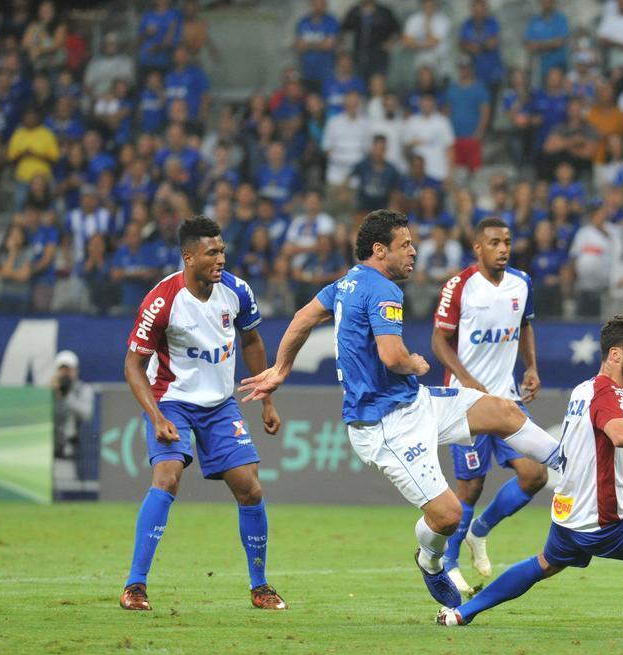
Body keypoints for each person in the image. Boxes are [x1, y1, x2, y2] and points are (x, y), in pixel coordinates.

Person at [239, 210, 564, 609]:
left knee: (503, 411)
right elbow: (393, 357)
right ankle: (430, 561)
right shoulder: (383, 290)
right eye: (405, 245)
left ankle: (569, 462)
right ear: (380, 250)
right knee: (447, 516)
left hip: (416, 403)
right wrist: (416, 363)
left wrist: (281, 369)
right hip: (384, 425)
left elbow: (303, 317)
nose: (414, 251)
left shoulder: (346, 283)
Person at [437, 314, 623, 629]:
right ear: (616, 355)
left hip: (570, 517)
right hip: (608, 525)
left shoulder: (583, 390)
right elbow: (620, 435)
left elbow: (596, 457)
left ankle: (460, 613)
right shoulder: (609, 394)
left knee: (544, 564)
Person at [119, 215, 285, 612]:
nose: (221, 259)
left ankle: (260, 586)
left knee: (250, 486)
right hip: (172, 399)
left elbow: (253, 340)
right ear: (188, 257)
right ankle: (135, 585)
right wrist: (157, 416)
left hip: (219, 403)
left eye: (223, 250)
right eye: (212, 252)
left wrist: (266, 398)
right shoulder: (162, 301)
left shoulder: (237, 291)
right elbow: (132, 365)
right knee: (168, 476)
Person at [430, 218, 547, 596]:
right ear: (477, 247)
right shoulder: (459, 286)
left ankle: (479, 531)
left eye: (507, 242)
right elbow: (439, 341)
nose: (503, 248)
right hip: (466, 405)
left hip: (506, 400)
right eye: (495, 242)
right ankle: (448, 564)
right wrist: (464, 378)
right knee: (470, 488)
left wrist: (531, 366)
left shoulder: (521, 283)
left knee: (535, 475)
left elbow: (525, 326)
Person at [52, 349, 95, 487]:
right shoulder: (49, 389)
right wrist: (51, 394)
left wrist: (66, 396)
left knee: (67, 487)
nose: (65, 373)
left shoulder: (82, 389)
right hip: (47, 446)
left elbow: (86, 414)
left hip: (72, 447)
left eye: (68, 369)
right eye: (62, 369)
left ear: (75, 370)